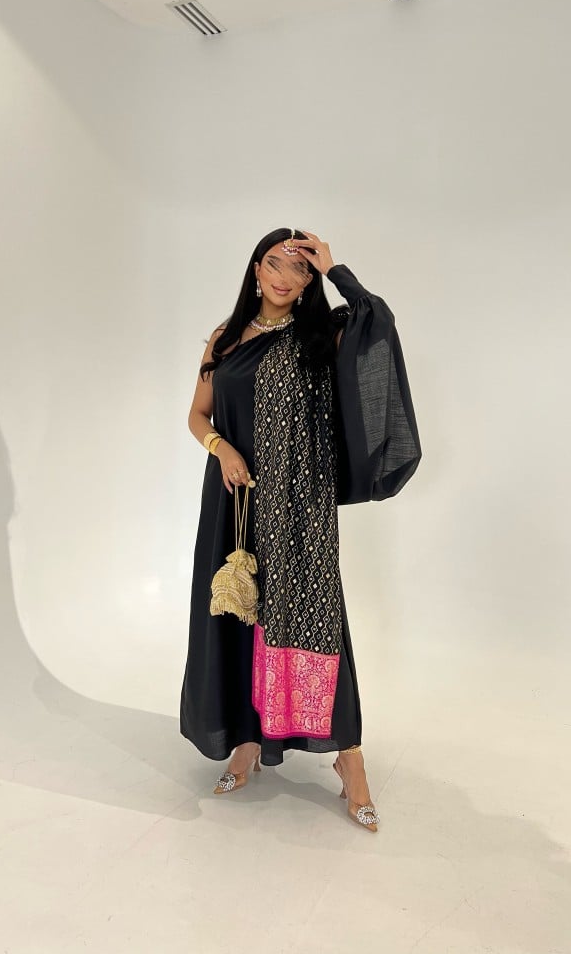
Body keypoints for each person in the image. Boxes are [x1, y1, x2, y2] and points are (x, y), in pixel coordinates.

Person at [180, 227, 421, 832]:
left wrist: (337, 269)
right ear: (255, 269)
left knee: (314, 621)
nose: (285, 278)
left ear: (312, 279)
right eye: (274, 263)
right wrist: (221, 449)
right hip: (235, 502)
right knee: (239, 616)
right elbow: (198, 415)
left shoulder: (324, 335)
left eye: (300, 269)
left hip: (299, 508)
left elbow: (378, 321)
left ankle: (349, 759)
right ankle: (246, 741)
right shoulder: (226, 338)